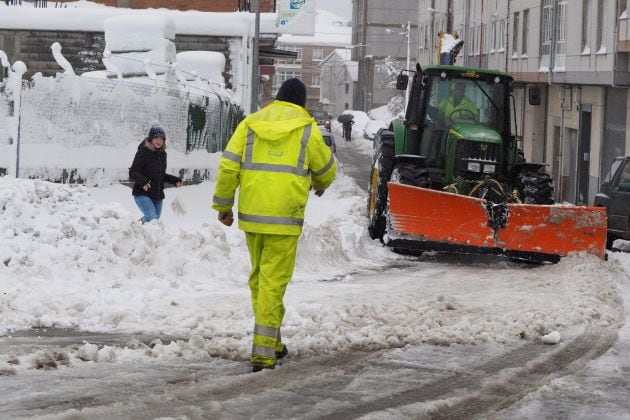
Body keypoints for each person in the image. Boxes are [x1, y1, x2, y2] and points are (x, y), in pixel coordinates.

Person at [212, 78, 337, 372]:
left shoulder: (251, 123)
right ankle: (264, 353)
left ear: (278, 98)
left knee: (259, 280)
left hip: (253, 216)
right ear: (302, 102)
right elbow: (326, 168)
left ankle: (274, 341)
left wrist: (223, 204)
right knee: (272, 283)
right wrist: (319, 183)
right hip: (285, 217)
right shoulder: (307, 128)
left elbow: (229, 164)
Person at [129, 123, 182, 223]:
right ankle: (138, 227)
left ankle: (138, 227)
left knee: (154, 221)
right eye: (156, 138)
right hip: (142, 193)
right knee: (152, 218)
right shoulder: (143, 152)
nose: (159, 141)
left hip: (157, 195)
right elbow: (133, 172)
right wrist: (144, 182)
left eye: (161, 138)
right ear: (150, 139)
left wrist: (175, 181)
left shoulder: (163, 155)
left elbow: (161, 175)